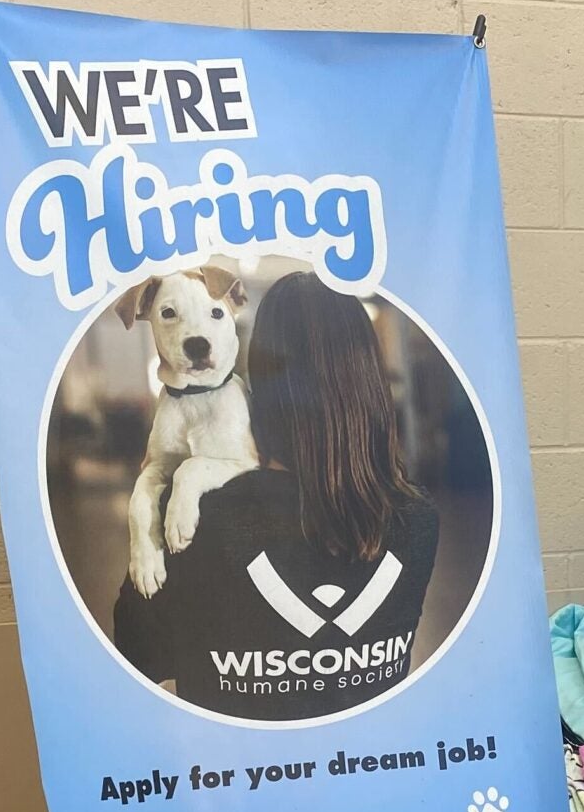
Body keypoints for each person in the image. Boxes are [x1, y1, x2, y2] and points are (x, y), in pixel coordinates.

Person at [114, 273, 440, 721]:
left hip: (231, 781)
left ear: (257, 383)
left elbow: (141, 659)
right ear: (372, 383)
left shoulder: (198, 518)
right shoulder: (418, 519)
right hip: (370, 775)